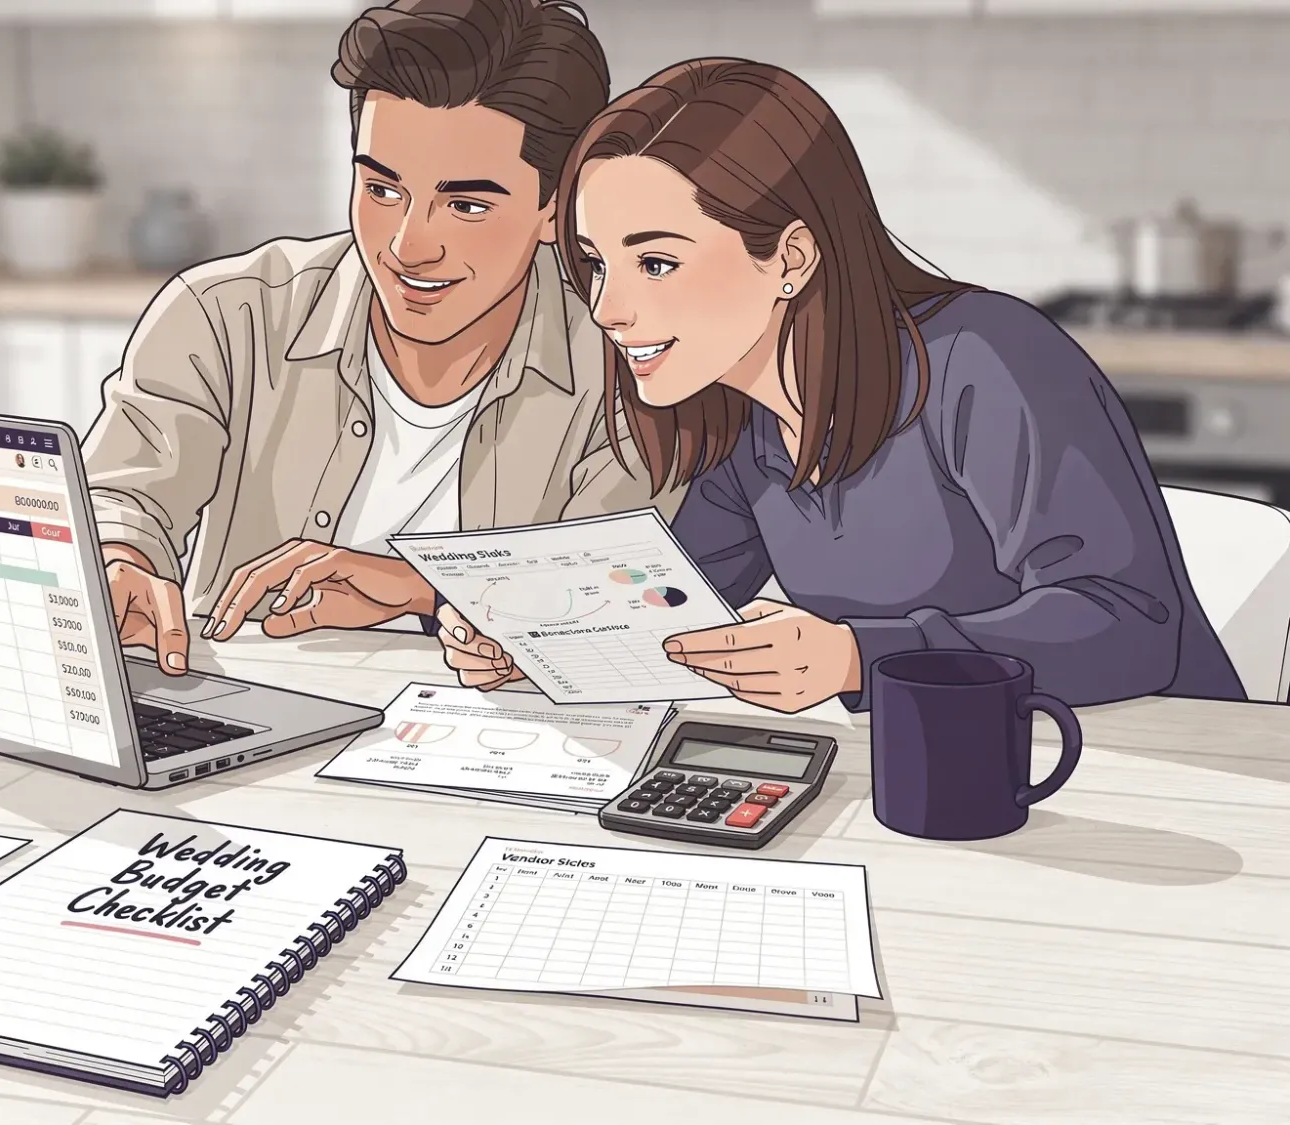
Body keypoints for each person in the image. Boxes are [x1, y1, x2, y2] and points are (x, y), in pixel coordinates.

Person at [437, 58, 1245, 712]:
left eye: (656, 262)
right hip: (946, 767)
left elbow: (1126, 625)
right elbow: (685, 612)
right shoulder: (742, 418)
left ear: (790, 257)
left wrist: (860, 656)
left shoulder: (984, 359)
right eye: (595, 263)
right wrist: (536, 642)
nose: (609, 308)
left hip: (1161, 770)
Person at [82, 0, 682, 677]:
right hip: (245, 720)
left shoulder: (627, 358)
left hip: (507, 740)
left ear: (556, 206)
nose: (407, 245)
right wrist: (119, 561)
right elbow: (120, 499)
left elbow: (621, 600)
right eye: (382, 188)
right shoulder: (228, 314)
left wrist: (425, 588)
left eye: (466, 205)